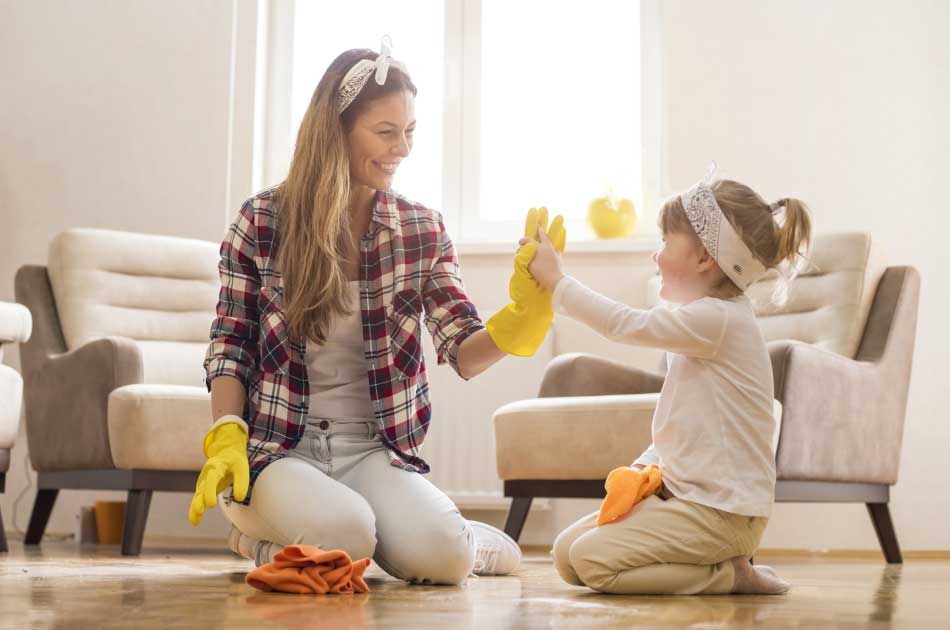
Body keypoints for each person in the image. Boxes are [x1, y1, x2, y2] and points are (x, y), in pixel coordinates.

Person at [187, 38, 565, 585]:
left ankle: (448, 542)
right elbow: (230, 343)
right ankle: (258, 538)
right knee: (348, 534)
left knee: (444, 561)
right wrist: (226, 432)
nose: (403, 148)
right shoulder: (263, 219)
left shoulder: (420, 228)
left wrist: (522, 317)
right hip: (279, 447)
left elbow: (464, 349)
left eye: (410, 131)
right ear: (335, 129)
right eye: (386, 133)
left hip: (371, 449)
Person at [527, 164, 811, 595]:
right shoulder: (703, 327)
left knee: (591, 562)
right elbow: (686, 423)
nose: (654, 255)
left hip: (723, 513)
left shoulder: (718, 320)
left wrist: (557, 283)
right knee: (567, 555)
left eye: (664, 242)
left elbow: (626, 324)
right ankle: (715, 566)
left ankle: (726, 575)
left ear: (704, 258)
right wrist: (644, 468)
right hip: (687, 499)